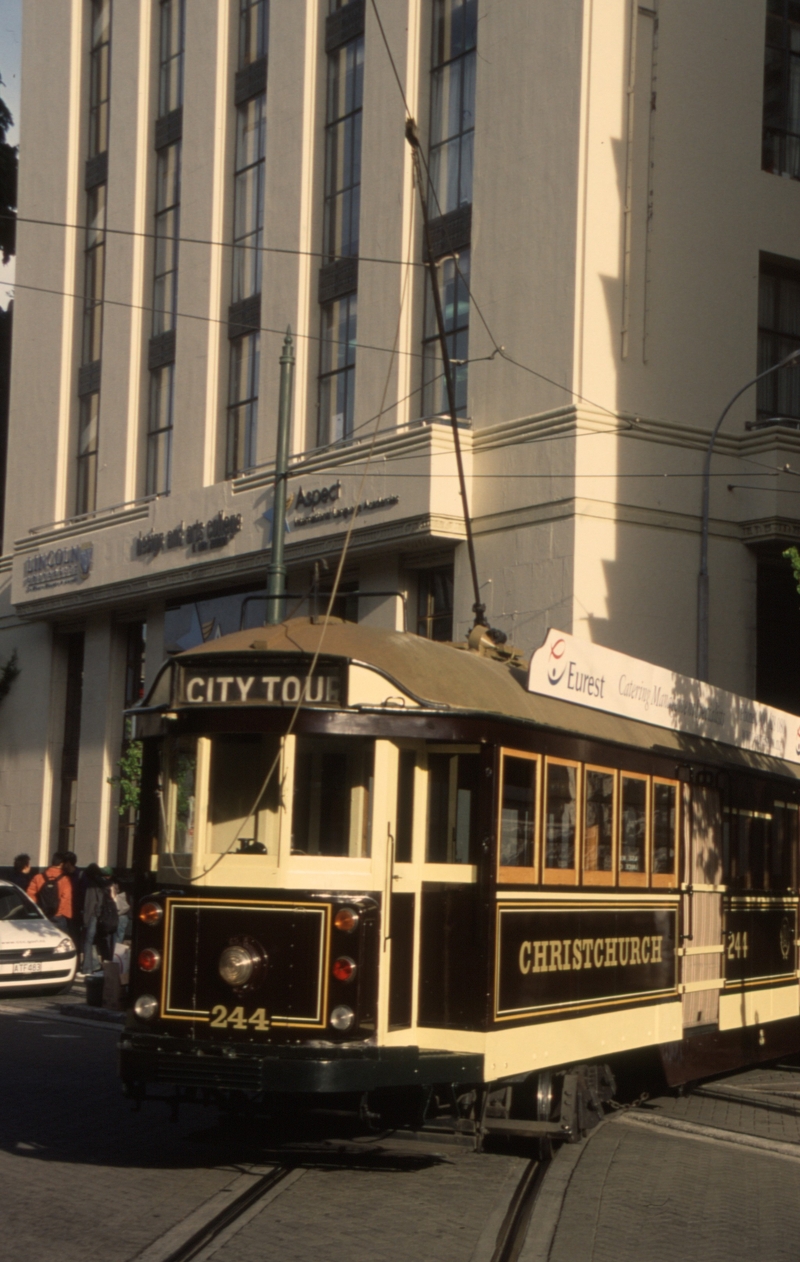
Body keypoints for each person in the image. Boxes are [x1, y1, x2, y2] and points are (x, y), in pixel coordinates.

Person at [81, 864, 116, 976]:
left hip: (93, 916)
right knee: (103, 940)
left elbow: (89, 904)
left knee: (88, 941)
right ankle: (107, 965)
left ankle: (87, 968)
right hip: (104, 915)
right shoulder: (105, 883)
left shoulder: (92, 885)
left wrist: (85, 920)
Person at [27, 852, 72, 935]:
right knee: (61, 940)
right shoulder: (65, 879)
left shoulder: (38, 877)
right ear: (62, 864)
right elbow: (66, 898)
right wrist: (58, 912)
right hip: (58, 916)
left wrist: (38, 908)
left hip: (42, 913)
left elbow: (30, 894)